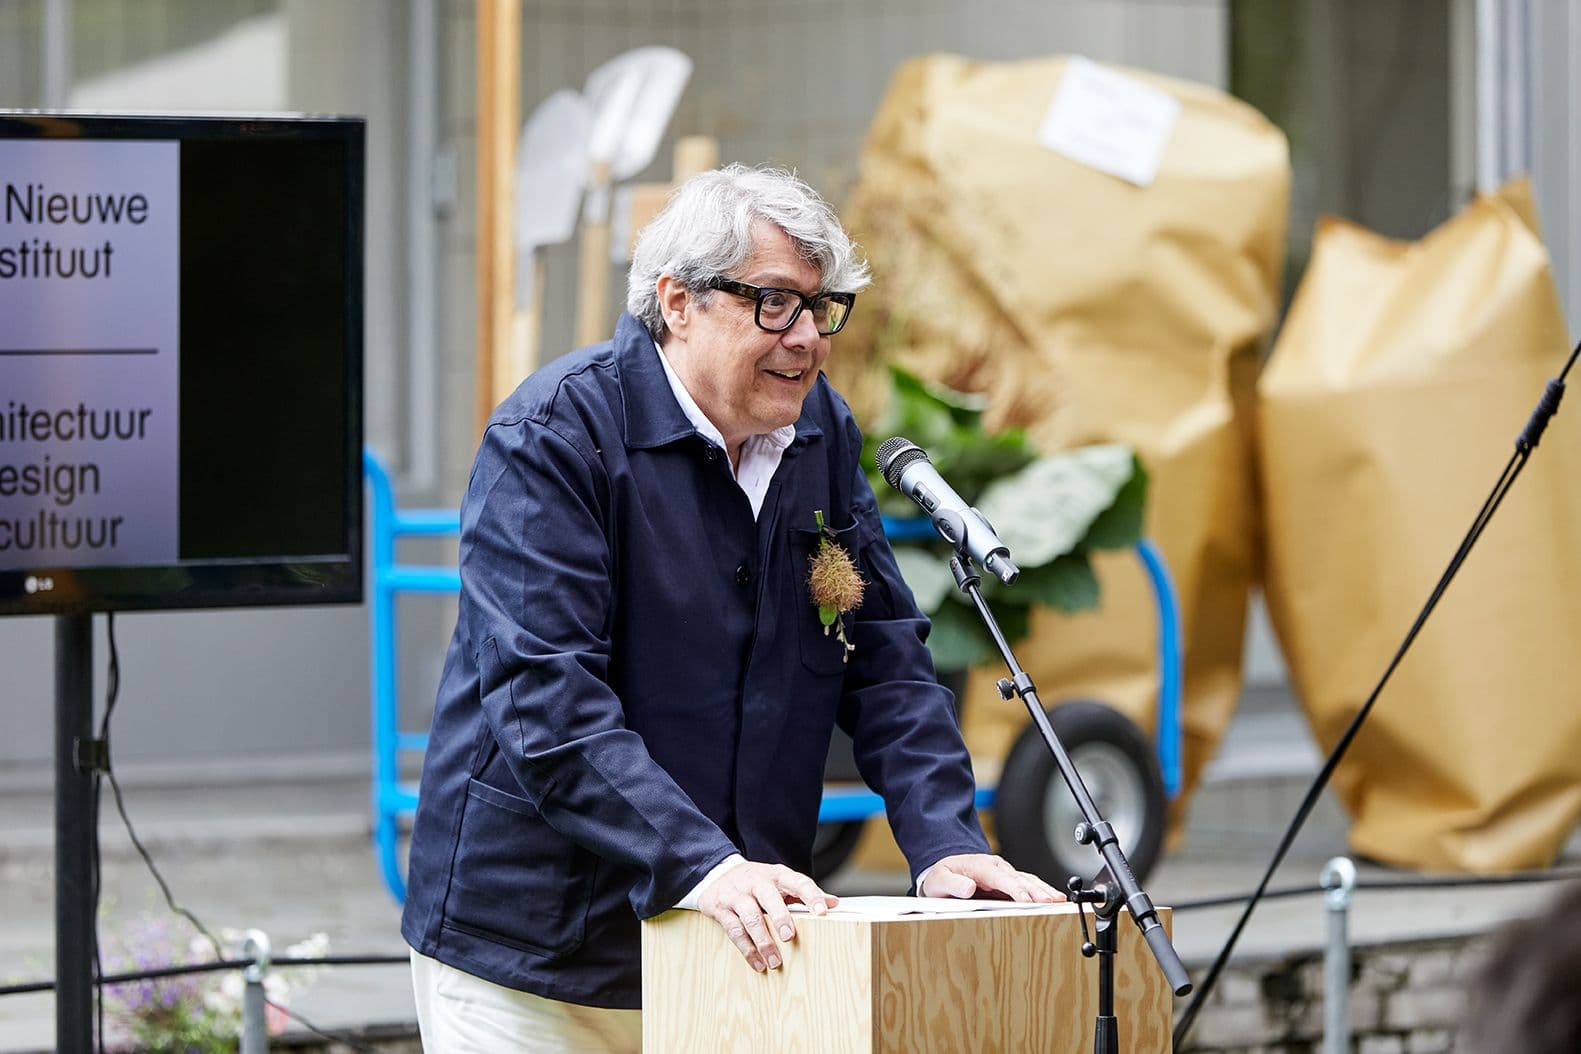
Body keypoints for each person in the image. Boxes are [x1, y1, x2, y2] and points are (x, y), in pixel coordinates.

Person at [400, 163, 1061, 1052]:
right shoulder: (554, 435)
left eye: (821, 309)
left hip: (734, 938)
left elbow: (884, 654)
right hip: (534, 955)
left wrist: (943, 841)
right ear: (677, 302)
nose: (808, 340)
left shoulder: (817, 433)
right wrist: (700, 862)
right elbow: (543, 699)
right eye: (775, 303)